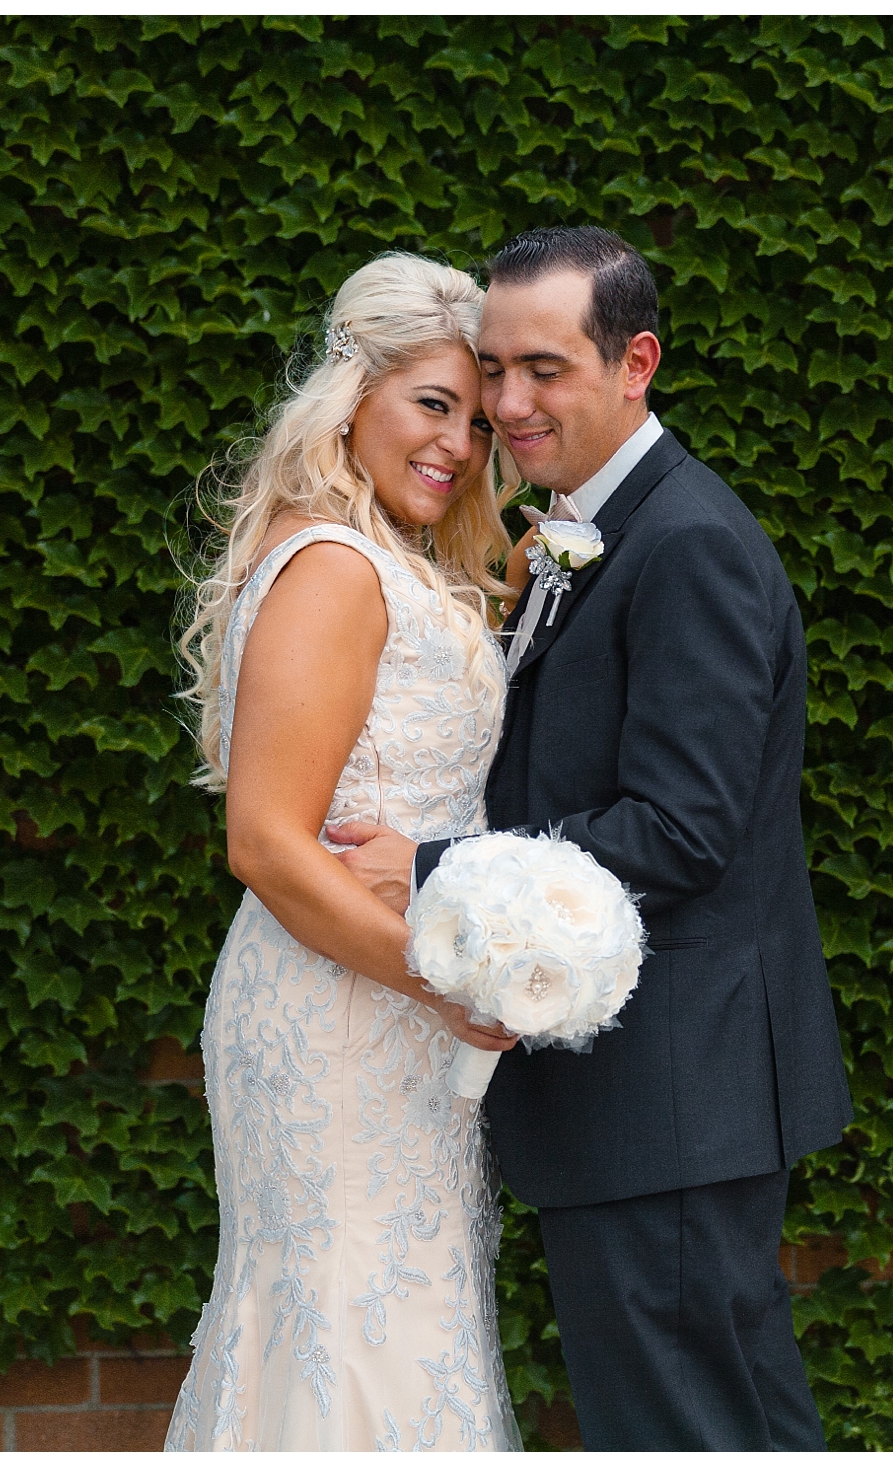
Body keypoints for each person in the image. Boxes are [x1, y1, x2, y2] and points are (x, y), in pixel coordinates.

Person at [329, 225, 854, 1451]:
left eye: (545, 370)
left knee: (685, 1427)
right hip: (649, 1100)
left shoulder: (690, 547)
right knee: (722, 1418)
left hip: (673, 1093)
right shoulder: (587, 530)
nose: (507, 404)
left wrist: (425, 870)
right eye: (494, 368)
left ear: (636, 363)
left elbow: (677, 832)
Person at [163, 253, 524, 1452]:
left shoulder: (399, 568)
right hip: (337, 1008)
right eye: (431, 404)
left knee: (398, 1322)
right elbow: (266, 843)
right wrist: (440, 980)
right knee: (342, 1322)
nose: (459, 445)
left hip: (394, 1014)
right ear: (350, 393)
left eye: (477, 421)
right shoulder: (333, 569)